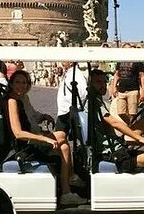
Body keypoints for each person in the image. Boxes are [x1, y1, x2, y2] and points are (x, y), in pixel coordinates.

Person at [88, 69, 144, 209]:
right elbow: (114, 123)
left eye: (105, 82)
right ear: (89, 83)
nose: (103, 86)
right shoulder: (94, 104)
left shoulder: (95, 100)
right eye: (98, 82)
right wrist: (140, 139)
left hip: (115, 145)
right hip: (115, 155)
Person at [5, 70, 84, 205]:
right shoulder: (12, 101)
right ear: (11, 83)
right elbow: (18, 133)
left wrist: (43, 117)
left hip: (32, 139)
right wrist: (45, 139)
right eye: (17, 82)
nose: (21, 85)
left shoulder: (22, 98)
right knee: (63, 140)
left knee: (64, 144)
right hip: (23, 146)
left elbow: (32, 115)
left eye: (24, 82)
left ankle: (67, 187)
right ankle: (68, 184)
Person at [112, 43, 144, 125]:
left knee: (133, 113)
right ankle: (131, 127)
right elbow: (117, 74)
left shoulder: (137, 62)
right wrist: (114, 86)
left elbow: (142, 76)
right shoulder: (120, 62)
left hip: (133, 90)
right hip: (121, 90)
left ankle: (132, 129)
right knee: (120, 112)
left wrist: (143, 91)